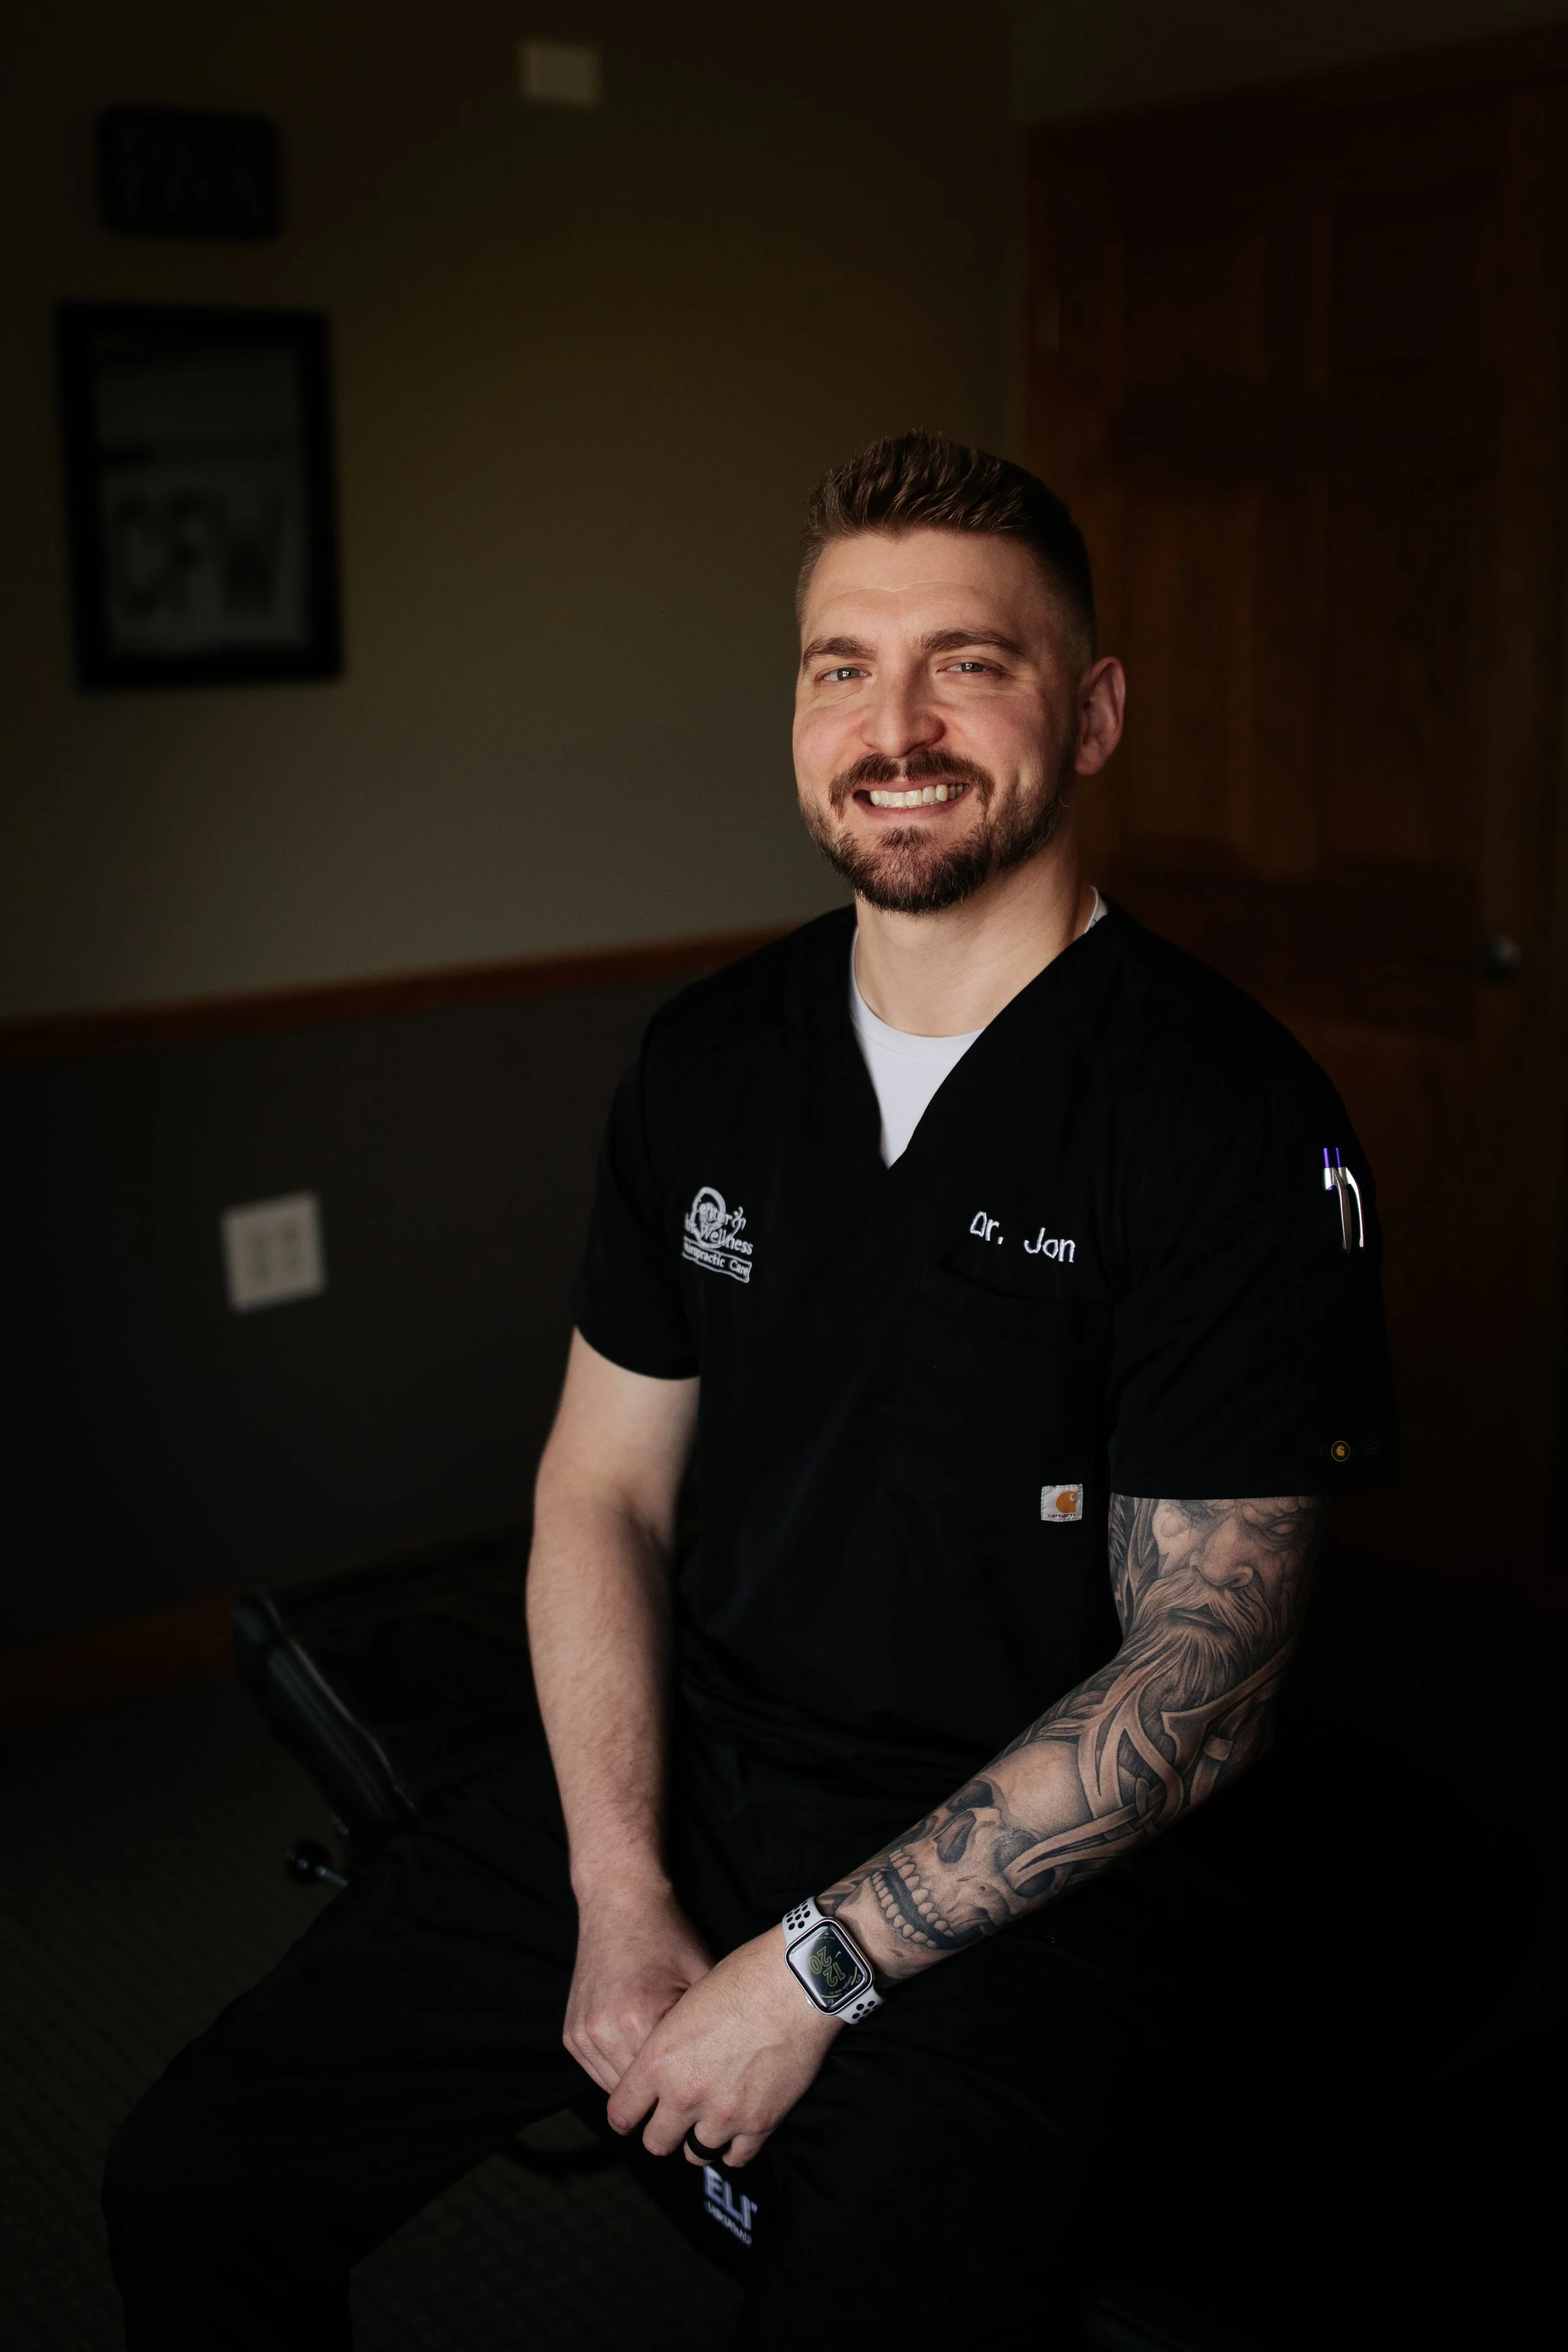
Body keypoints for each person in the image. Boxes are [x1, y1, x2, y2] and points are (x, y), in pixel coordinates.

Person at [104, 433, 1394, 2346]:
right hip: (693, 1776)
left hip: (1025, 1882)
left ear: (1095, 710)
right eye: (837, 666)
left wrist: (807, 1971)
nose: (896, 723)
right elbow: (602, 1490)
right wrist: (618, 1889)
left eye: (969, 661)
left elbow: (1196, 1684)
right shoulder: (708, 1056)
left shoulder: (1221, 1117)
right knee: (191, 2183)